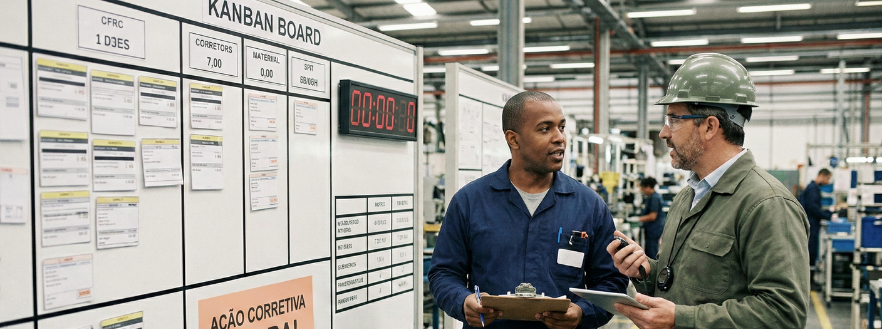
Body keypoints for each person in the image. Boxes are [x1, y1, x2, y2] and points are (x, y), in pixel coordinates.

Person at [606, 53, 810, 329]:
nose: (664, 133)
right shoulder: (687, 197)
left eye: (674, 119)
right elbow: (679, 285)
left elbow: (783, 314)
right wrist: (644, 270)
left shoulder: (767, 204)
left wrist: (681, 318)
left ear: (710, 126)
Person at [429, 91, 628, 329]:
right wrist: (462, 302)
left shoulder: (589, 206)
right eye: (545, 129)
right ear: (513, 139)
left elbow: (611, 281)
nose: (559, 138)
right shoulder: (470, 202)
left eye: (561, 127)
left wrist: (582, 313)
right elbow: (444, 273)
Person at [798, 168, 833, 269]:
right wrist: (827, 215)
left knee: (811, 251)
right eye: (828, 178)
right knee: (810, 252)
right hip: (810, 224)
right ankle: (809, 282)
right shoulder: (812, 189)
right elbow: (813, 208)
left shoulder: (813, 188)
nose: (828, 182)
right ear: (822, 175)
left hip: (811, 223)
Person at [629, 177, 665, 259]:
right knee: (649, 250)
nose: (643, 191)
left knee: (651, 251)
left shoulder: (654, 198)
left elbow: (653, 216)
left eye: (643, 188)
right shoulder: (651, 197)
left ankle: (652, 270)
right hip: (652, 229)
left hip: (654, 229)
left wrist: (637, 219)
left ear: (648, 187)